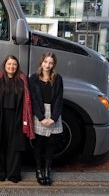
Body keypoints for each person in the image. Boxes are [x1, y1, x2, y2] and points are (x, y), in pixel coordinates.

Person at [0, 55, 35, 183]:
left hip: (17, 117)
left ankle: (13, 174)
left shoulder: (23, 79)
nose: (11, 67)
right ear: (5, 65)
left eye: (14, 64)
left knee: (15, 146)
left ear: (17, 66)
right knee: (0, 144)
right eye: (9, 64)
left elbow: (27, 100)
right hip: (0, 116)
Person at [29, 52, 63, 186]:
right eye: (45, 62)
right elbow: (34, 99)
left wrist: (54, 118)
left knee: (51, 144)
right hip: (40, 114)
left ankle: (47, 169)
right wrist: (41, 117)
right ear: (41, 62)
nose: (47, 65)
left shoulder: (58, 78)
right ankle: (38, 170)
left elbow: (60, 99)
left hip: (54, 113)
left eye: (50, 63)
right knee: (38, 144)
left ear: (54, 64)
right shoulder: (34, 78)